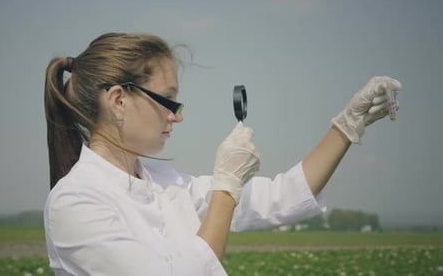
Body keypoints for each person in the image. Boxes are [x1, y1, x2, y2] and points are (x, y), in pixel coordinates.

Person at [43, 32, 401, 276]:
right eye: (168, 100)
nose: (177, 116)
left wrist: (347, 125)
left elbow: (281, 196)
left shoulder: (166, 185)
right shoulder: (75, 202)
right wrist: (226, 189)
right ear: (119, 100)